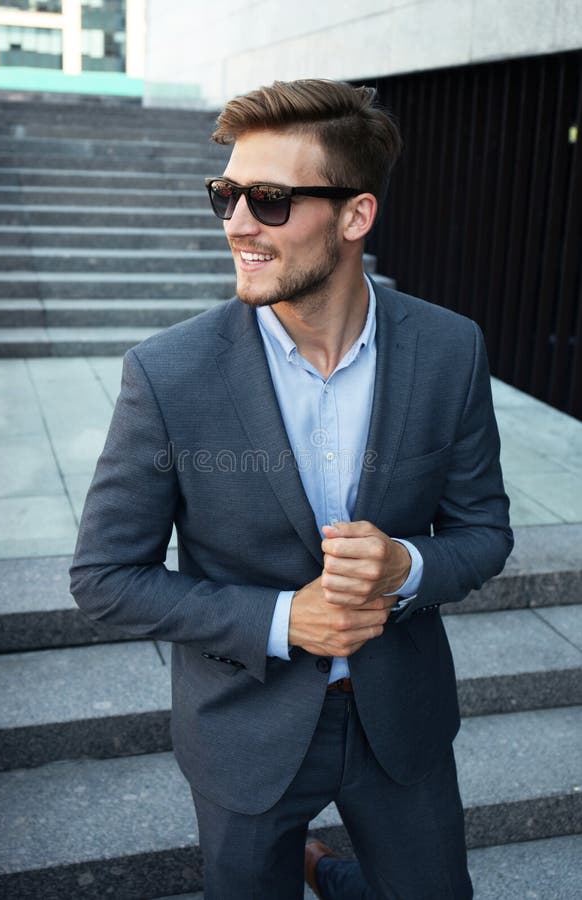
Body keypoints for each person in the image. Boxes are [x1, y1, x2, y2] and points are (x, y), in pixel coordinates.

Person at [70, 78, 513, 900]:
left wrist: (406, 568)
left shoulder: (451, 349)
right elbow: (103, 578)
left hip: (402, 725)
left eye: (269, 199)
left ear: (355, 216)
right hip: (245, 730)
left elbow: (483, 529)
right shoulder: (168, 375)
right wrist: (283, 618)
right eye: (227, 194)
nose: (238, 223)